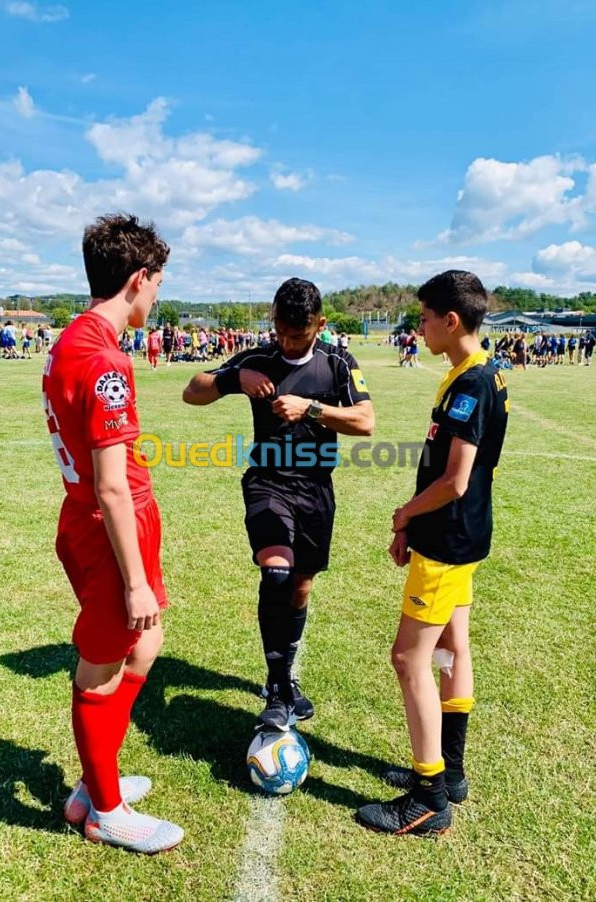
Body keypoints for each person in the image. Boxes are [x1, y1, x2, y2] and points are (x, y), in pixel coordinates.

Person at [42, 213, 183, 854]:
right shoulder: (102, 359)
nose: (157, 296)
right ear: (136, 279)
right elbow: (109, 485)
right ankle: (102, 808)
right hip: (107, 527)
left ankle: (97, 779)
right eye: (156, 283)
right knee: (101, 666)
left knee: (144, 648)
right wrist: (133, 579)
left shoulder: (73, 339)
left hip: (106, 521)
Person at [183, 278, 374, 730]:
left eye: (298, 335)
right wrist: (234, 378)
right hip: (267, 481)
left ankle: (285, 677)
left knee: (301, 586)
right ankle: (276, 684)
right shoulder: (258, 358)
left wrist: (311, 409)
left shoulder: (339, 363)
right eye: (281, 332)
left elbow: (365, 422)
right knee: (276, 570)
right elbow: (192, 391)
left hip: (315, 489)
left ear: (320, 325)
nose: (287, 343)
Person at [357, 270, 508, 837]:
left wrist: (404, 515)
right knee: (454, 645)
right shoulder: (475, 372)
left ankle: (427, 796)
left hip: (446, 540)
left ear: (451, 320)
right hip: (460, 537)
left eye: (423, 318)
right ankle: (453, 773)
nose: (418, 327)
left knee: (409, 658)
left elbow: (455, 480)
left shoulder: (471, 384)